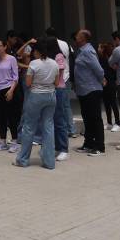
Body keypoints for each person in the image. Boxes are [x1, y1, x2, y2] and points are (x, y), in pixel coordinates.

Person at [12, 39, 60, 169]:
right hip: (51, 96)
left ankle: (23, 159)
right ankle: (49, 161)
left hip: (36, 96)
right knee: (48, 127)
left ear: (37, 51)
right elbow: (56, 83)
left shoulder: (34, 63)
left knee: (28, 127)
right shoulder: (54, 64)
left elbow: (28, 83)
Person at [72, 29, 105, 156]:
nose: (76, 37)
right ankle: (89, 143)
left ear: (83, 39)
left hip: (91, 89)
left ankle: (99, 146)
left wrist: (102, 79)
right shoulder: (81, 51)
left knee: (95, 118)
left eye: (78, 36)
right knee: (87, 118)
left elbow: (99, 70)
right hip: (83, 90)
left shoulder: (88, 51)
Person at [0, 37, 21, 152]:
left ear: (5, 47)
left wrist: (11, 90)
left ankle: (15, 142)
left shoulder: (11, 59)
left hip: (8, 89)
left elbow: (15, 77)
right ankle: (2, 141)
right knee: (1, 117)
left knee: (11, 117)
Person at [49, 27, 74, 162]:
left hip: (59, 87)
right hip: (59, 85)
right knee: (56, 118)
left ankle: (63, 148)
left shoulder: (58, 56)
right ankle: (58, 147)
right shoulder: (66, 45)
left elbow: (59, 74)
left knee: (60, 118)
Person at [99, 39, 120, 132]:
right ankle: (109, 122)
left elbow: (115, 71)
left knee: (113, 103)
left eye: (100, 48)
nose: (99, 49)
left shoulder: (112, 59)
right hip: (104, 83)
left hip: (111, 82)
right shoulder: (101, 59)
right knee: (106, 103)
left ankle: (117, 123)